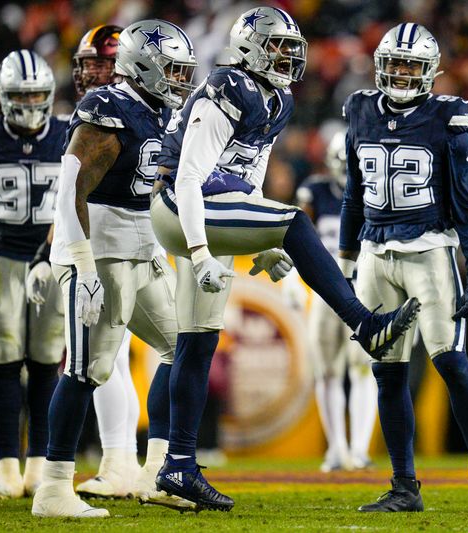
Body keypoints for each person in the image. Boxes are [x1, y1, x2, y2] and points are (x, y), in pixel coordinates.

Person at [149, 6, 421, 512]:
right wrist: (203, 248)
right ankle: (364, 324)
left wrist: (261, 240)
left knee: (197, 340)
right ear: (249, 47)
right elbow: (188, 176)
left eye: (290, 49)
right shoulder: (229, 87)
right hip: (184, 206)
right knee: (296, 220)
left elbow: (248, 177)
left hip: (215, 207)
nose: (286, 57)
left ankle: (178, 467)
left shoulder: (277, 99)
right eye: (276, 46)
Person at [339, 23, 468, 512]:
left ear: (429, 72)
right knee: (387, 373)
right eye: (393, 63)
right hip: (374, 252)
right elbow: (354, 193)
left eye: (410, 65)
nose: (400, 72)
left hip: (430, 251)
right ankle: (403, 486)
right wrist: (347, 261)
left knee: (450, 361)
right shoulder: (359, 109)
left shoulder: (449, 117)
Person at [30, 20, 197, 518]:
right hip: (98, 248)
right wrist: (80, 265)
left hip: (143, 245)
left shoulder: (161, 110)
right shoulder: (109, 109)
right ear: (143, 65)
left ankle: (161, 470)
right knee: (89, 368)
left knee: (180, 345)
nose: (180, 78)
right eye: (171, 68)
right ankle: (54, 488)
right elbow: (69, 191)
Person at [27, 23, 143, 501]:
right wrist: (45, 252)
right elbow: (72, 199)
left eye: (106, 63)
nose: (95, 72)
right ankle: (129, 462)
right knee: (106, 360)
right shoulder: (96, 110)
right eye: (90, 63)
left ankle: (130, 461)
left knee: (99, 360)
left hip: (123, 247)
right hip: (100, 244)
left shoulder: (125, 111)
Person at [0, 50, 67, 500]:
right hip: (0, 261)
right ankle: (6, 469)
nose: (32, 102)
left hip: (52, 260)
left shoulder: (66, 131)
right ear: (1, 96)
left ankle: (38, 465)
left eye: (39, 93)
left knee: (45, 363)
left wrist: (57, 253)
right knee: (3, 362)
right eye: (22, 94)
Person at [287, 131, 377, 472]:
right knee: (326, 371)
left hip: (364, 290)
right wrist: (295, 279)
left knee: (363, 368)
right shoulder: (316, 191)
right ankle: (337, 448)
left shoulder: (375, 194)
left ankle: (360, 449)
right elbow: (295, 234)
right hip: (327, 290)